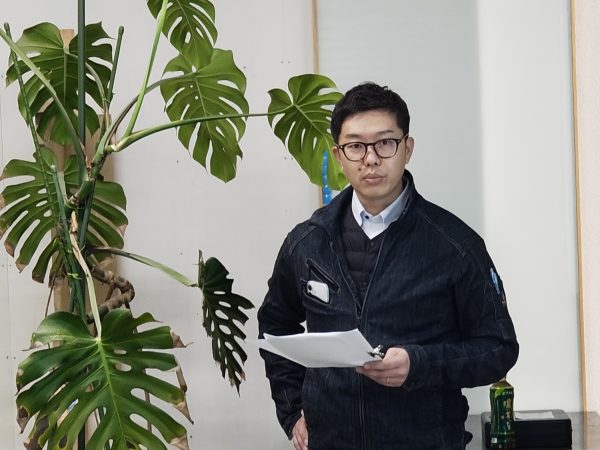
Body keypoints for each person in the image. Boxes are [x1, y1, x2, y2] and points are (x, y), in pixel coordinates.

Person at [257, 82, 519, 450]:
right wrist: (292, 411)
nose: (370, 159)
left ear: (407, 149)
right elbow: (274, 325)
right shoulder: (308, 242)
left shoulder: (455, 246)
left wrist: (418, 363)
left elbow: (498, 348)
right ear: (338, 155)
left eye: (385, 143)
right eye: (355, 146)